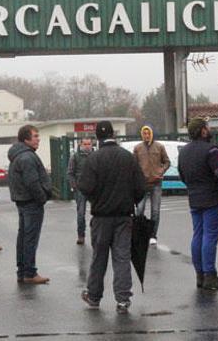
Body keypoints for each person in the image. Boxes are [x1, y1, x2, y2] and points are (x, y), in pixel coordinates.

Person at [77, 121, 146, 314]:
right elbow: (141, 188)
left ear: (98, 138)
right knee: (122, 257)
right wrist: (130, 200)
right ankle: (123, 298)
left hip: (101, 217)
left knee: (99, 257)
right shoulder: (128, 158)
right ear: (114, 136)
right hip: (124, 216)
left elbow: (85, 187)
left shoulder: (94, 159)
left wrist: (97, 199)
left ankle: (93, 295)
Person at [178, 117, 218, 290]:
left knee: (198, 235)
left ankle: (200, 275)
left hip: (194, 198)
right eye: (207, 127)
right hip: (212, 199)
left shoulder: (184, 151)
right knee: (210, 236)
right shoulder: (211, 150)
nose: (209, 129)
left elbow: (182, 175)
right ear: (202, 131)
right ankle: (210, 275)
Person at [8, 125, 52, 285]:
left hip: (22, 201)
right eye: (35, 136)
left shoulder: (18, 155)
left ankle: (22, 270)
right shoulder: (27, 157)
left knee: (24, 237)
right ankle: (29, 272)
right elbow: (32, 182)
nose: (38, 139)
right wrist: (42, 197)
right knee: (30, 238)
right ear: (26, 139)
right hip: (31, 202)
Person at [133, 124, 170, 245]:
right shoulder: (137, 148)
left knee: (155, 211)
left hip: (156, 183)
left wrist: (161, 171)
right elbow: (133, 164)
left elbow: (167, 162)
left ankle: (153, 235)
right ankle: (140, 234)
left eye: (148, 133)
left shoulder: (159, 147)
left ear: (152, 134)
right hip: (142, 184)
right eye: (144, 133)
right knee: (139, 210)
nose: (147, 136)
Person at [67, 136, 95, 245]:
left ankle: (95, 235)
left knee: (97, 214)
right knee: (80, 214)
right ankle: (81, 235)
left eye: (89, 144)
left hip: (94, 190)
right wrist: (75, 186)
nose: (87, 146)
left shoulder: (95, 156)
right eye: (85, 144)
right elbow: (70, 173)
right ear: (81, 144)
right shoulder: (75, 157)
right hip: (80, 190)